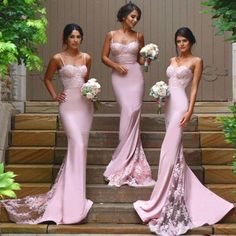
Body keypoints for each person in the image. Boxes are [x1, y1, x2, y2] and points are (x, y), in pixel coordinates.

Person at [133, 27, 234, 235]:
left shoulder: (197, 61)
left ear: (191, 42)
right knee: (173, 153)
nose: (181, 44)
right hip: (169, 105)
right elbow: (170, 84)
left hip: (180, 106)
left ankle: (162, 198)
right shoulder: (171, 60)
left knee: (167, 152)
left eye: (185, 41)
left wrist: (190, 110)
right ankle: (169, 192)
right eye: (178, 41)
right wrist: (160, 95)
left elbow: (194, 87)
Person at [2, 23, 94, 224]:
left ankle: (76, 195)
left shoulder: (86, 57)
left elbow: (86, 82)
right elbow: (47, 79)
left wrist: (92, 92)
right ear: (65, 39)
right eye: (72, 37)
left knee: (81, 148)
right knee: (76, 144)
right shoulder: (57, 58)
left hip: (85, 107)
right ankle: (71, 198)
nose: (75, 40)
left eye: (78, 36)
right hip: (68, 106)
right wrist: (55, 96)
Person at [101, 1, 154, 187]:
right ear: (124, 16)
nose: (135, 20)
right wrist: (116, 66)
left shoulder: (139, 36)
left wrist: (148, 59)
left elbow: (141, 60)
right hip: (118, 75)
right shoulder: (111, 34)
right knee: (126, 109)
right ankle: (123, 156)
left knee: (134, 111)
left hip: (135, 75)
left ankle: (128, 156)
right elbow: (104, 57)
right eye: (133, 16)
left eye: (137, 18)